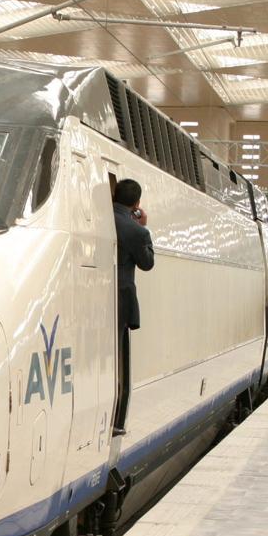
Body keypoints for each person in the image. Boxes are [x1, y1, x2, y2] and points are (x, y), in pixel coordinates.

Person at [113, 179, 154, 434]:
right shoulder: (136, 231)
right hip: (120, 300)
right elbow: (147, 263)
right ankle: (116, 417)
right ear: (136, 204)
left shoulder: (98, 219)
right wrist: (143, 228)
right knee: (118, 354)